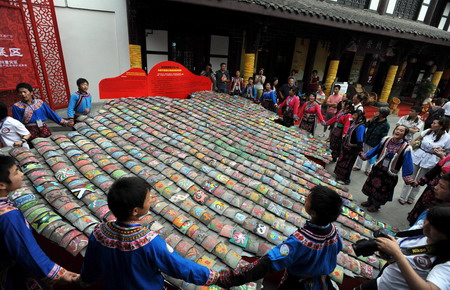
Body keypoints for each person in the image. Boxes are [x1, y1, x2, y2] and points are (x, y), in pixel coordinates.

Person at [77, 177, 219, 289]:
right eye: (148, 198)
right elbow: (179, 266)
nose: (151, 200)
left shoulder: (99, 233)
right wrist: (216, 277)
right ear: (135, 211)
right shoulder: (149, 242)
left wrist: (83, 280)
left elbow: (91, 266)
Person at [215, 185, 343, 289]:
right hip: (321, 283)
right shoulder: (333, 232)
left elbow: (268, 263)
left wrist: (227, 278)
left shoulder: (299, 242)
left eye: (309, 198)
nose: (306, 197)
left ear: (313, 213)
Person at [0, 155, 79, 288]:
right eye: (16, 172)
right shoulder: (9, 216)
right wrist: (60, 274)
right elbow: (26, 251)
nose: (21, 174)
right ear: (2, 184)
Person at [355, 204, 450, 290]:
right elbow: (404, 260)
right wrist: (389, 254)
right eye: (428, 219)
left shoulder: (447, 262)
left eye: (433, 226)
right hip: (381, 283)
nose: (425, 225)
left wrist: (397, 254)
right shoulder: (419, 233)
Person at [359, 125, 414, 212]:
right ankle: (369, 201)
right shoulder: (386, 140)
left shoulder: (406, 148)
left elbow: (407, 163)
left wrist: (408, 176)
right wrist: (366, 156)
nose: (398, 131)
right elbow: (376, 150)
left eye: (401, 131)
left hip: (389, 173)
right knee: (372, 185)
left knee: (382, 190)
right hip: (378, 168)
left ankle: (376, 206)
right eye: (397, 129)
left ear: (405, 134)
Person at [399, 118, 450, 205]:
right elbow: (416, 140)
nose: (432, 124)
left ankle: (411, 197)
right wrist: (407, 149)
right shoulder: (428, 131)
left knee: (421, 179)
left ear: (441, 126)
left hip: (431, 159)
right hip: (418, 155)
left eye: (434, 123)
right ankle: (402, 196)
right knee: (410, 176)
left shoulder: (447, 137)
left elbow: (447, 150)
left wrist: (439, 150)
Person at [353, 107, 390, 175]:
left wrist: (379, 144)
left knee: (371, 156)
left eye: (378, 111)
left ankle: (368, 169)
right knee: (361, 152)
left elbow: (384, 136)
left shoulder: (386, 125)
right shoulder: (375, 119)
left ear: (382, 114)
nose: (376, 112)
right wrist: (372, 119)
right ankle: (358, 166)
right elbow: (366, 125)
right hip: (366, 139)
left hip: (375, 142)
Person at [334, 110, 366, 185]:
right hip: (346, 146)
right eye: (353, 115)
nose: (353, 117)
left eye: (355, 115)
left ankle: (345, 179)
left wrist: (360, 150)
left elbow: (360, 140)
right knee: (342, 160)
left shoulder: (361, 126)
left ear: (360, 117)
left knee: (348, 164)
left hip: (352, 149)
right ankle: (339, 175)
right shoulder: (354, 123)